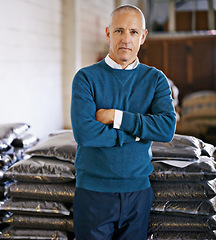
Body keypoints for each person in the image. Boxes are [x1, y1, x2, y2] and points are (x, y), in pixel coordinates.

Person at [70, 4, 176, 240]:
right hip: (93, 192)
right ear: (108, 33)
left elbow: (167, 128)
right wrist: (139, 133)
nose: (125, 39)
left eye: (133, 32)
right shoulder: (86, 78)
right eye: (119, 31)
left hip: (137, 192)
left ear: (143, 37)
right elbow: (85, 134)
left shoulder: (156, 80)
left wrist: (116, 117)